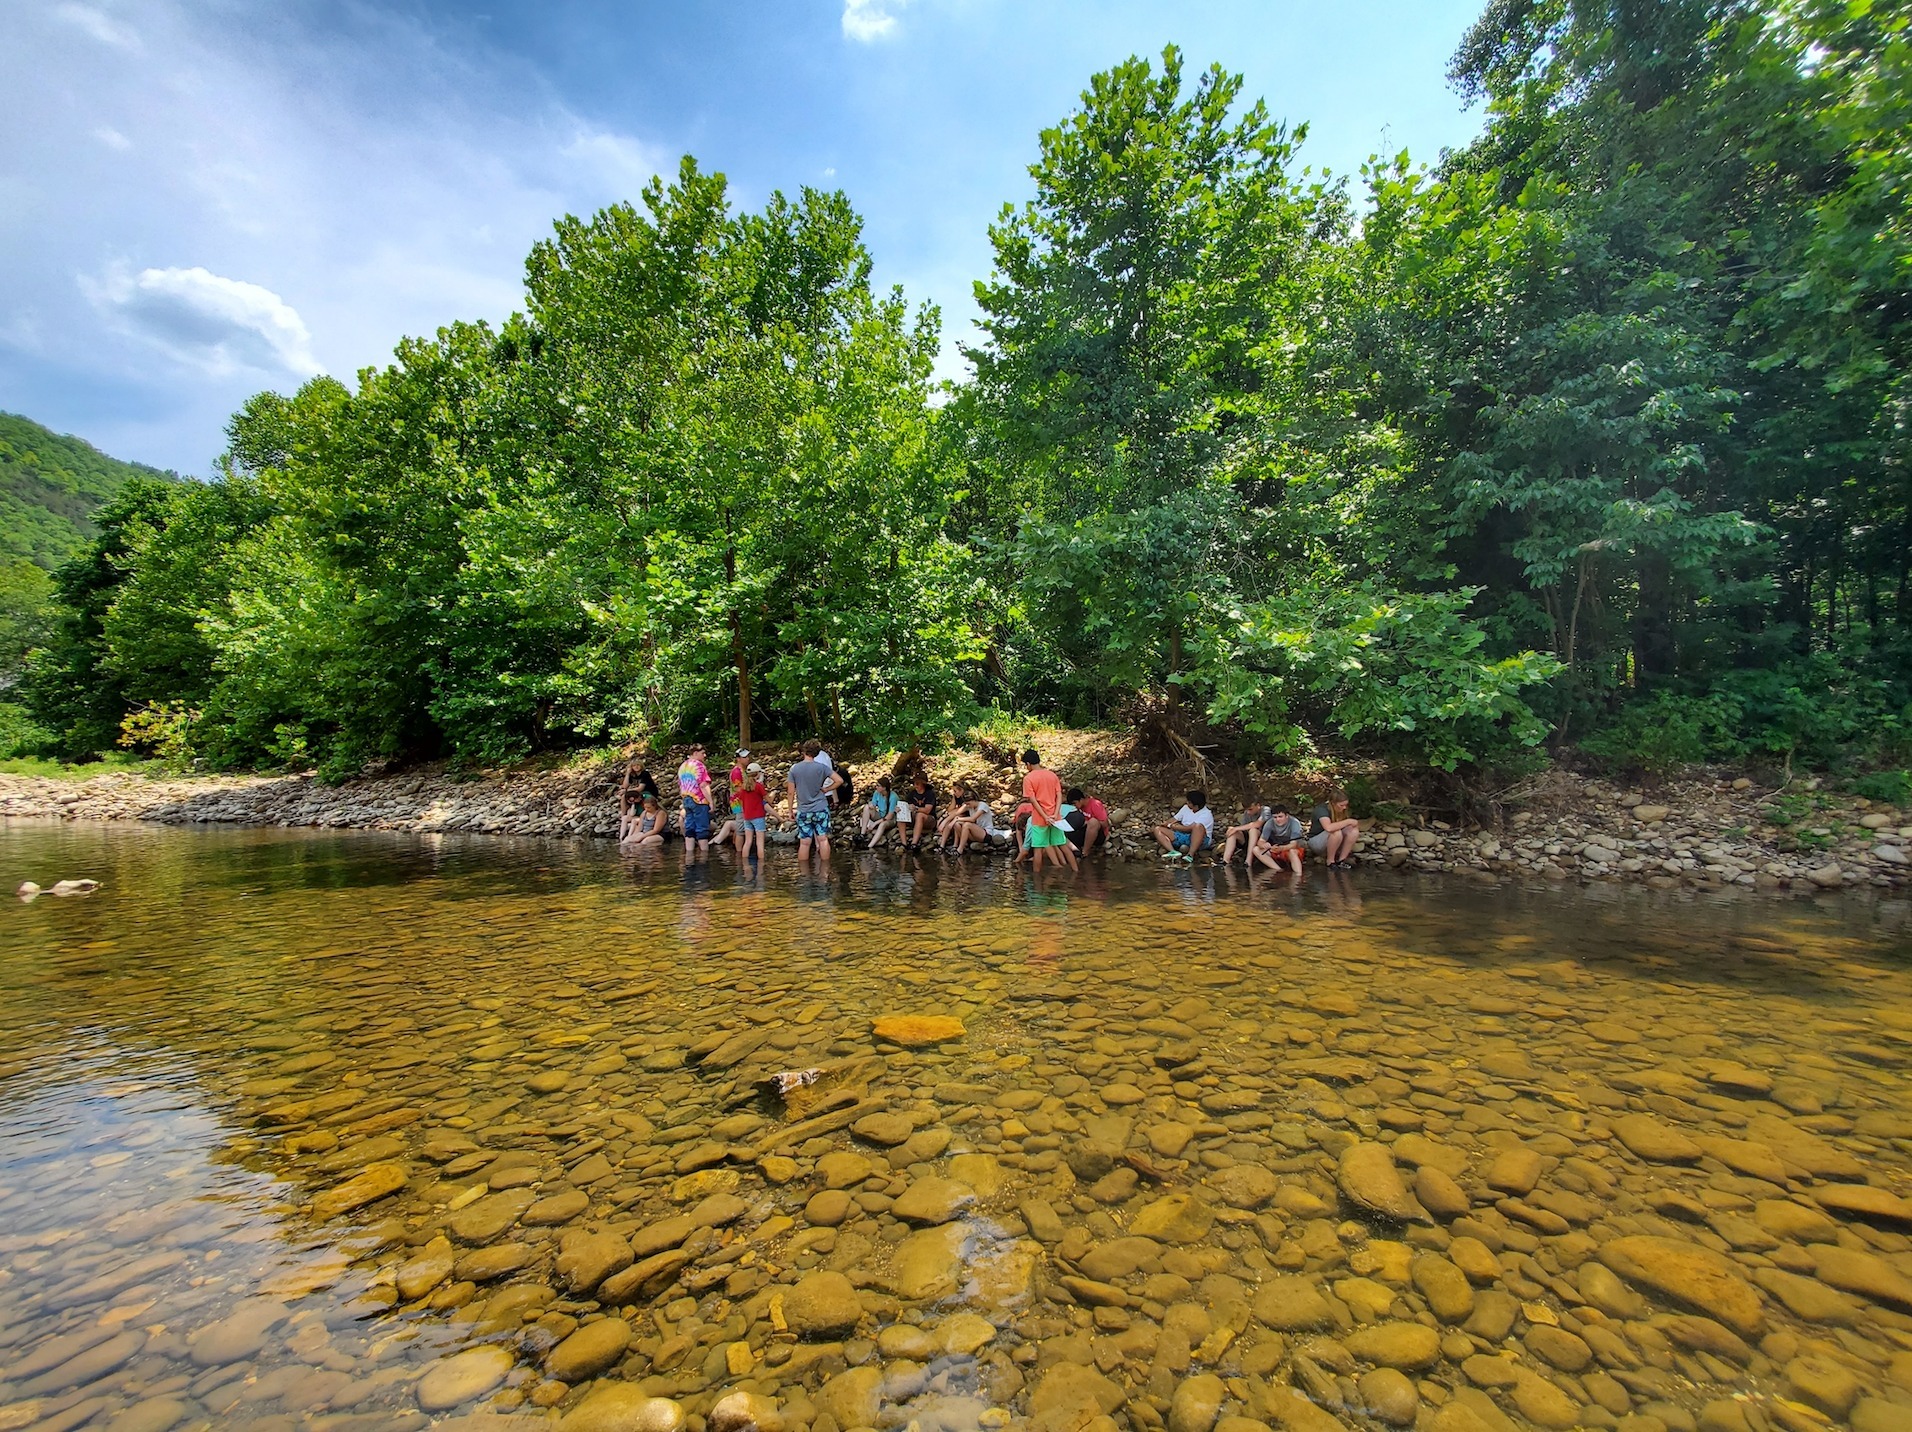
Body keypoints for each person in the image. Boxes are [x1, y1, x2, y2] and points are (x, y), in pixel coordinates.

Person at [786, 740, 842, 864]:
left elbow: (790, 792)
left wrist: (790, 810)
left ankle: (804, 875)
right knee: (823, 840)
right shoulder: (822, 768)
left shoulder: (795, 769)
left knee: (805, 842)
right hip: (821, 808)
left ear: (804, 751)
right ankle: (825, 872)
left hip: (804, 810)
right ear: (816, 753)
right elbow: (839, 780)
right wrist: (827, 789)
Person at [1019, 748, 1074, 871]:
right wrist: (1054, 814)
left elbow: (1033, 800)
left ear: (1028, 764)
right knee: (1063, 846)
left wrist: (1044, 817)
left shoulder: (1028, 778)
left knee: (1038, 849)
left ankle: (1037, 882)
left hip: (1039, 820)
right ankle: (1076, 872)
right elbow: (1059, 795)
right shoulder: (1052, 775)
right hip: (1055, 818)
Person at [1309, 788, 1361, 868]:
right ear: (1333, 803)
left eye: (1346, 805)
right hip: (1317, 842)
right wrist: (1348, 821)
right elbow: (1328, 828)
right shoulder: (1321, 810)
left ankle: (1342, 860)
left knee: (1353, 831)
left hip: (1334, 840)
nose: (1344, 808)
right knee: (1336, 832)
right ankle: (1330, 861)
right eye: (1341, 805)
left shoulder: (1343, 811)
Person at [1154, 790, 1214, 861]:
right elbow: (1175, 819)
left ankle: (1190, 854)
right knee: (1158, 829)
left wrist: (1171, 826)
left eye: (1189, 802)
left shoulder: (1206, 814)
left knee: (1198, 826)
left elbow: (1189, 828)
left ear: (1196, 806)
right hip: (1183, 836)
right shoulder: (1185, 808)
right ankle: (1173, 851)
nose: (1187, 803)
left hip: (1200, 840)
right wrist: (1165, 823)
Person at [617, 755, 661, 844]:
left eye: (638, 765)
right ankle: (624, 815)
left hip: (648, 792)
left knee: (625, 794)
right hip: (637, 793)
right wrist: (628, 773)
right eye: (634, 765)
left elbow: (641, 788)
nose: (636, 767)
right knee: (623, 797)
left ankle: (633, 817)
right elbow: (625, 785)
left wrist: (626, 791)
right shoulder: (632, 775)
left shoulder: (645, 774)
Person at [712, 747, 750, 849]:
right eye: (745, 757)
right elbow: (738, 789)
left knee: (741, 825)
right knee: (740, 830)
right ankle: (739, 852)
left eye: (747, 756)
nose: (747, 759)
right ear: (738, 759)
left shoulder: (743, 770)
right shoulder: (737, 772)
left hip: (742, 802)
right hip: (739, 802)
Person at [677, 744, 713, 851]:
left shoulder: (682, 766)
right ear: (695, 753)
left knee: (690, 827)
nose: (704, 755)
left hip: (686, 799)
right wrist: (710, 802)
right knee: (702, 828)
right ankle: (704, 855)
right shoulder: (699, 766)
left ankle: (689, 854)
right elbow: (703, 785)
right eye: (702, 753)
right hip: (699, 800)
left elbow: (680, 785)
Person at [1255, 801, 1307, 874]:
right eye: (1275, 817)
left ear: (1287, 816)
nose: (1277, 820)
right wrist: (1264, 845)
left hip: (1291, 850)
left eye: (1280, 817)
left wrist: (1282, 848)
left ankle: (1298, 875)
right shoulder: (1269, 823)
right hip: (1275, 849)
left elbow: (1294, 844)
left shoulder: (1294, 823)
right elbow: (1260, 841)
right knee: (1256, 849)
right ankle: (1278, 870)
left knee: (1292, 852)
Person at [1219, 797, 1271, 864]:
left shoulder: (1266, 810)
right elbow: (1244, 828)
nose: (1248, 812)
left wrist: (1236, 828)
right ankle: (1225, 861)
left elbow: (1257, 824)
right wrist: (1233, 830)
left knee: (1253, 830)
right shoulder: (1246, 813)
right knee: (1233, 832)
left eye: (1250, 809)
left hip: (1263, 838)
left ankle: (1248, 861)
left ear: (1258, 806)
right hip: (1249, 839)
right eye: (1247, 810)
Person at [735, 762, 770, 861]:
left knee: (748, 841)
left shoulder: (743, 788)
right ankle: (761, 866)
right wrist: (774, 794)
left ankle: (744, 865)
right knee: (760, 843)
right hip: (758, 817)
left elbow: (741, 802)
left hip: (747, 817)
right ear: (758, 774)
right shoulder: (758, 786)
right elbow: (769, 800)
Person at [901, 770, 939, 851]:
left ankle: (914, 843)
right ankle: (904, 843)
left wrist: (916, 808)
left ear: (923, 784)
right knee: (901, 815)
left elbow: (927, 810)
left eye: (917, 783)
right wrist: (900, 809)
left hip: (929, 819)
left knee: (920, 815)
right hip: (914, 817)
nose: (915, 786)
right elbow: (905, 805)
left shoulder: (929, 794)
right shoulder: (912, 794)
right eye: (914, 783)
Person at [860, 776, 901, 847]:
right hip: (881, 815)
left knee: (882, 824)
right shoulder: (877, 793)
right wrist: (871, 805)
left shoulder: (893, 797)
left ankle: (870, 846)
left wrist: (875, 823)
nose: (876, 787)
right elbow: (873, 804)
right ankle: (862, 834)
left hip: (890, 819)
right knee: (866, 807)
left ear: (884, 788)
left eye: (878, 786)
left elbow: (890, 816)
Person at [1069, 786, 1110, 854]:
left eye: (1074, 803)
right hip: (1084, 832)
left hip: (1098, 834)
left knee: (1093, 822)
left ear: (1081, 800)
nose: (1074, 806)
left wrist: (1088, 822)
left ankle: (1085, 852)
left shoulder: (1095, 804)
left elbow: (1105, 824)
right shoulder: (1079, 808)